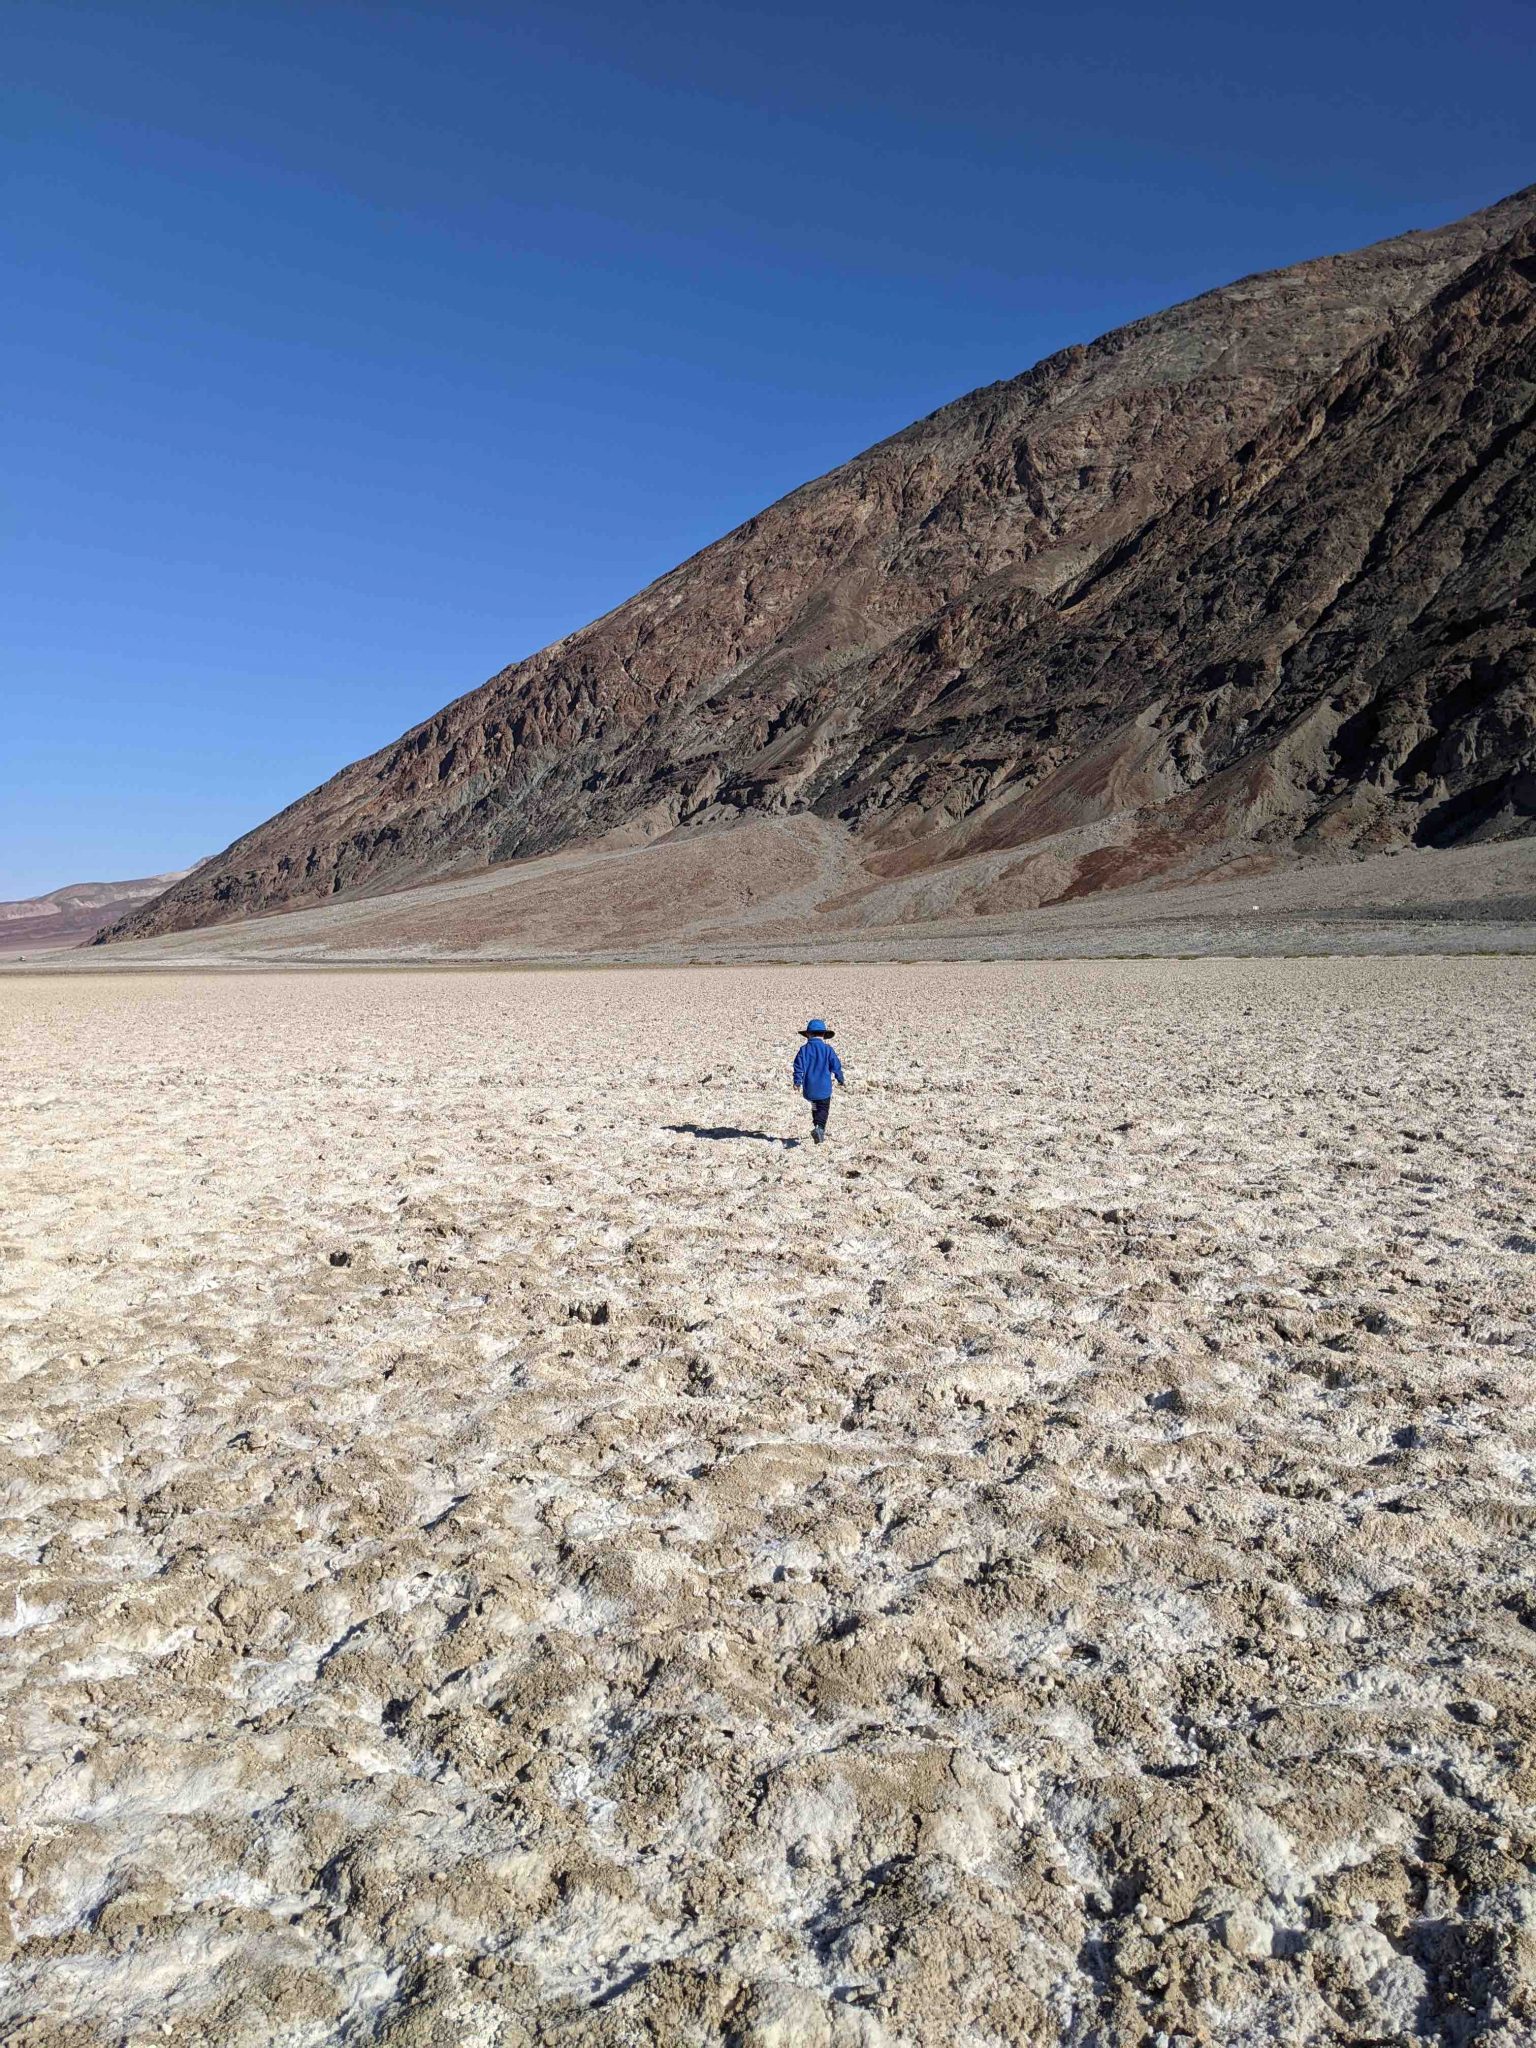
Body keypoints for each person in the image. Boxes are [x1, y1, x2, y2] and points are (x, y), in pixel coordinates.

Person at [792, 1017, 845, 1145]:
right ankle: (820, 1128)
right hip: (824, 1088)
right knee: (823, 1108)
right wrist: (840, 1078)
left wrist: (797, 1082)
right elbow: (835, 1065)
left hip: (809, 1088)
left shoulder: (803, 1050)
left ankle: (816, 1127)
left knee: (815, 1107)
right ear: (824, 1035)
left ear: (808, 1035)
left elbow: (798, 1067)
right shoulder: (827, 1050)